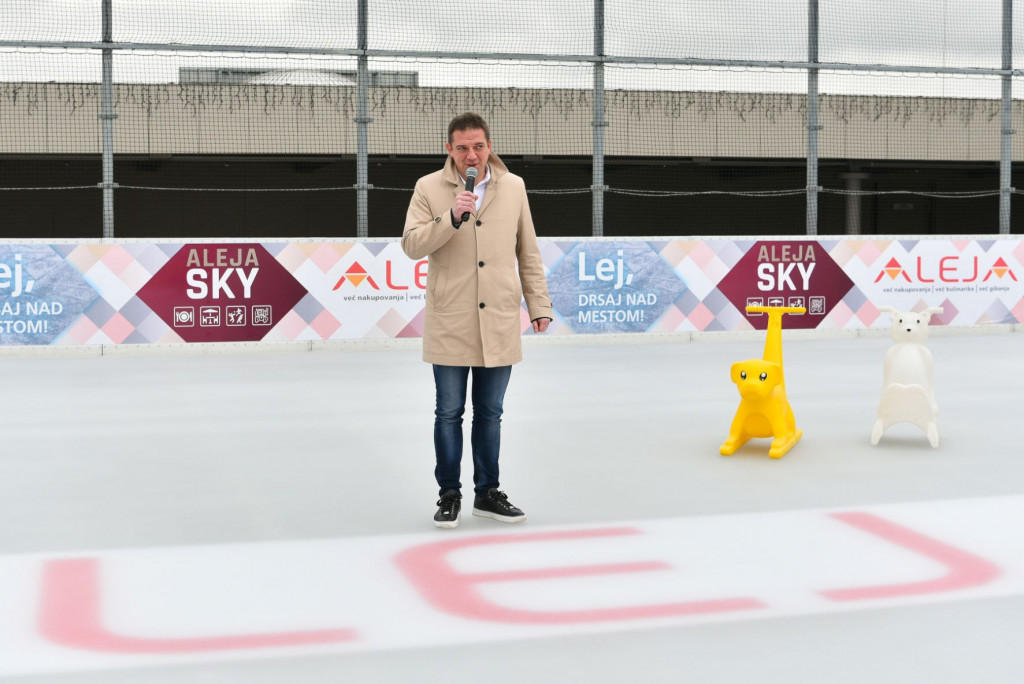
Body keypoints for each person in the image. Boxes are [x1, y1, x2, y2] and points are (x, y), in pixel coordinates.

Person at [402, 112, 553, 529]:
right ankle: (449, 494)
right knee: (448, 412)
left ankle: (488, 493)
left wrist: (538, 305)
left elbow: (528, 251)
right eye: (463, 147)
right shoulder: (428, 188)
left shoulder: (515, 186)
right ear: (448, 149)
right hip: (451, 316)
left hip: (500, 315)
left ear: (490, 147)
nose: (472, 155)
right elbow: (412, 245)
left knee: (491, 412)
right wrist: (450, 216)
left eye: (479, 146)